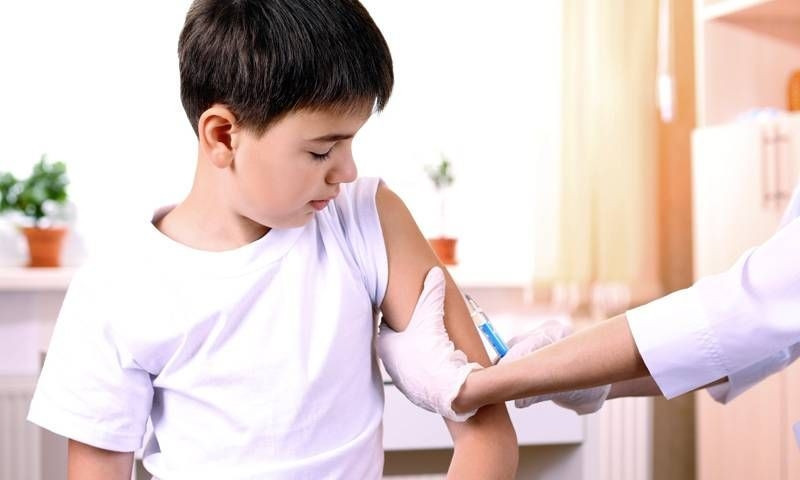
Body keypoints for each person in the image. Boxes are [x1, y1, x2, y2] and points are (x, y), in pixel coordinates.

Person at [26, 1, 518, 478]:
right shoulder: (115, 287)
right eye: (321, 151)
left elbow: (487, 438)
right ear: (222, 136)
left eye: (351, 141)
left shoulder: (367, 219)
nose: (347, 171)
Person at [379, 176, 800, 421]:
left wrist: (468, 388)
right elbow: (767, 337)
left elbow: (746, 312)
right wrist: (596, 377)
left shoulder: (379, 207)